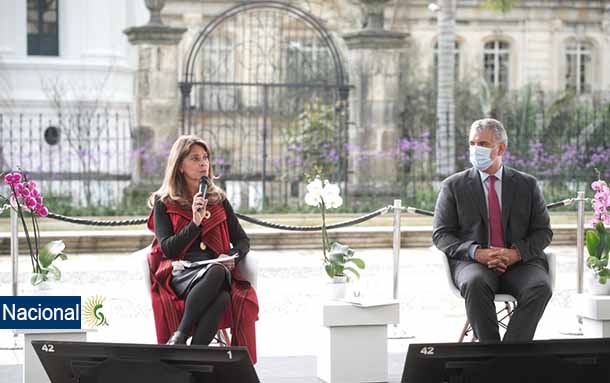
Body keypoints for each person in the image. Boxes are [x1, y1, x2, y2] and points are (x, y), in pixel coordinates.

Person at [432, 118, 553, 342]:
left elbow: (543, 232)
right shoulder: (453, 186)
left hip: (520, 264)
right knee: (474, 283)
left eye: (484, 144)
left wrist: (515, 254)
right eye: (472, 143)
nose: (475, 149)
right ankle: (489, 353)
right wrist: (477, 252)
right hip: (474, 263)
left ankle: (506, 357)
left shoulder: (527, 185)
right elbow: (441, 234)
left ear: (501, 148)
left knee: (540, 286)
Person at [146, 135, 258, 362]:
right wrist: (194, 223)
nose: (203, 164)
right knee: (222, 295)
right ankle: (187, 347)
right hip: (181, 272)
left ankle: (183, 351)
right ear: (179, 166)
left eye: (205, 158)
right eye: (195, 158)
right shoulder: (164, 202)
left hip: (215, 271)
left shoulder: (218, 199)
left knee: (219, 276)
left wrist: (232, 255)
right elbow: (168, 249)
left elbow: (242, 241)